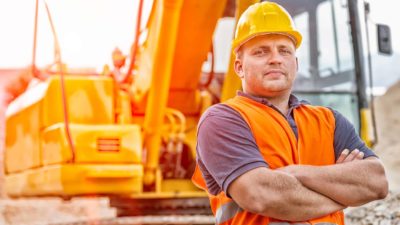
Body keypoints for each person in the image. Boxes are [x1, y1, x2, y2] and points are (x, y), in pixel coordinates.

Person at [192, 2, 388, 224]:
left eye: (284, 50)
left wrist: (296, 172)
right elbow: (260, 195)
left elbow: (377, 182)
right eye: (261, 51)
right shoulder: (222, 120)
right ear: (239, 67)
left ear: (295, 63)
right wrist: (342, 193)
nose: (275, 58)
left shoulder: (329, 121)